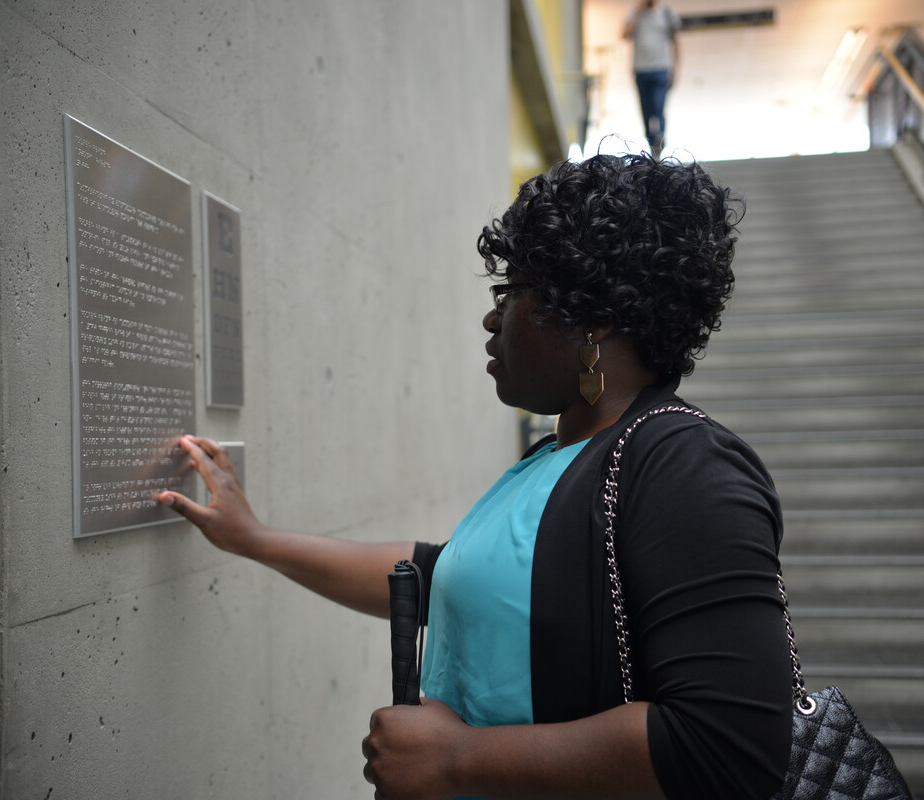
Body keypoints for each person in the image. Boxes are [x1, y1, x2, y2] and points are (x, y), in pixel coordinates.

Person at [155, 154, 793, 800]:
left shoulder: (683, 464)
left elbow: (727, 745)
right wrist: (252, 538)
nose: (494, 319)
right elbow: (440, 576)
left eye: (512, 292)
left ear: (592, 319)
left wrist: (458, 758)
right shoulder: (551, 459)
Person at [623, 1, 682, 157]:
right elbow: (625, 34)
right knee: (646, 111)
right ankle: (651, 142)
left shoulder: (667, 13)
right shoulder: (634, 13)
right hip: (641, 70)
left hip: (661, 69)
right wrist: (639, 10)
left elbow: (676, 42)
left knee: (658, 107)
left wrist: (676, 69)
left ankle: (660, 139)